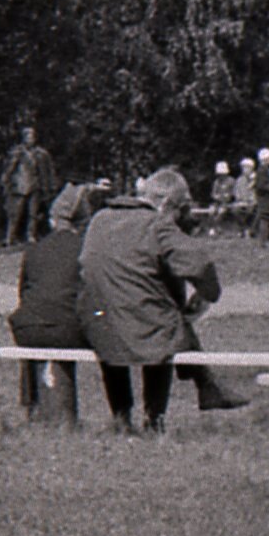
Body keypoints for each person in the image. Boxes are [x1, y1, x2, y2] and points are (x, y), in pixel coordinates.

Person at [77, 169, 217, 432]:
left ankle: (121, 416)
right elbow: (199, 263)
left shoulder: (100, 218)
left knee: (116, 322)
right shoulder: (157, 224)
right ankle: (155, 418)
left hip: (98, 322)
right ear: (166, 204)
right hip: (145, 325)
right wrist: (207, 295)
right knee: (163, 326)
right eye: (180, 210)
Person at [8, 183, 96, 425]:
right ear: (84, 221)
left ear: (52, 219)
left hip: (27, 328)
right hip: (69, 329)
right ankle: (121, 415)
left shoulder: (34, 249)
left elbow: (24, 293)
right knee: (65, 324)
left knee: (38, 320)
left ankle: (31, 406)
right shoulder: (86, 251)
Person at [1, 127, 53, 245]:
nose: (30, 139)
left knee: (33, 213)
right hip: (20, 186)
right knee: (15, 213)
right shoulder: (17, 153)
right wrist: (7, 182)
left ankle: (31, 235)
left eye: (32, 137)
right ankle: (10, 237)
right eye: (28, 137)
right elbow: (9, 169)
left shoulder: (40, 153)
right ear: (23, 138)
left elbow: (46, 170)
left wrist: (46, 185)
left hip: (35, 185)